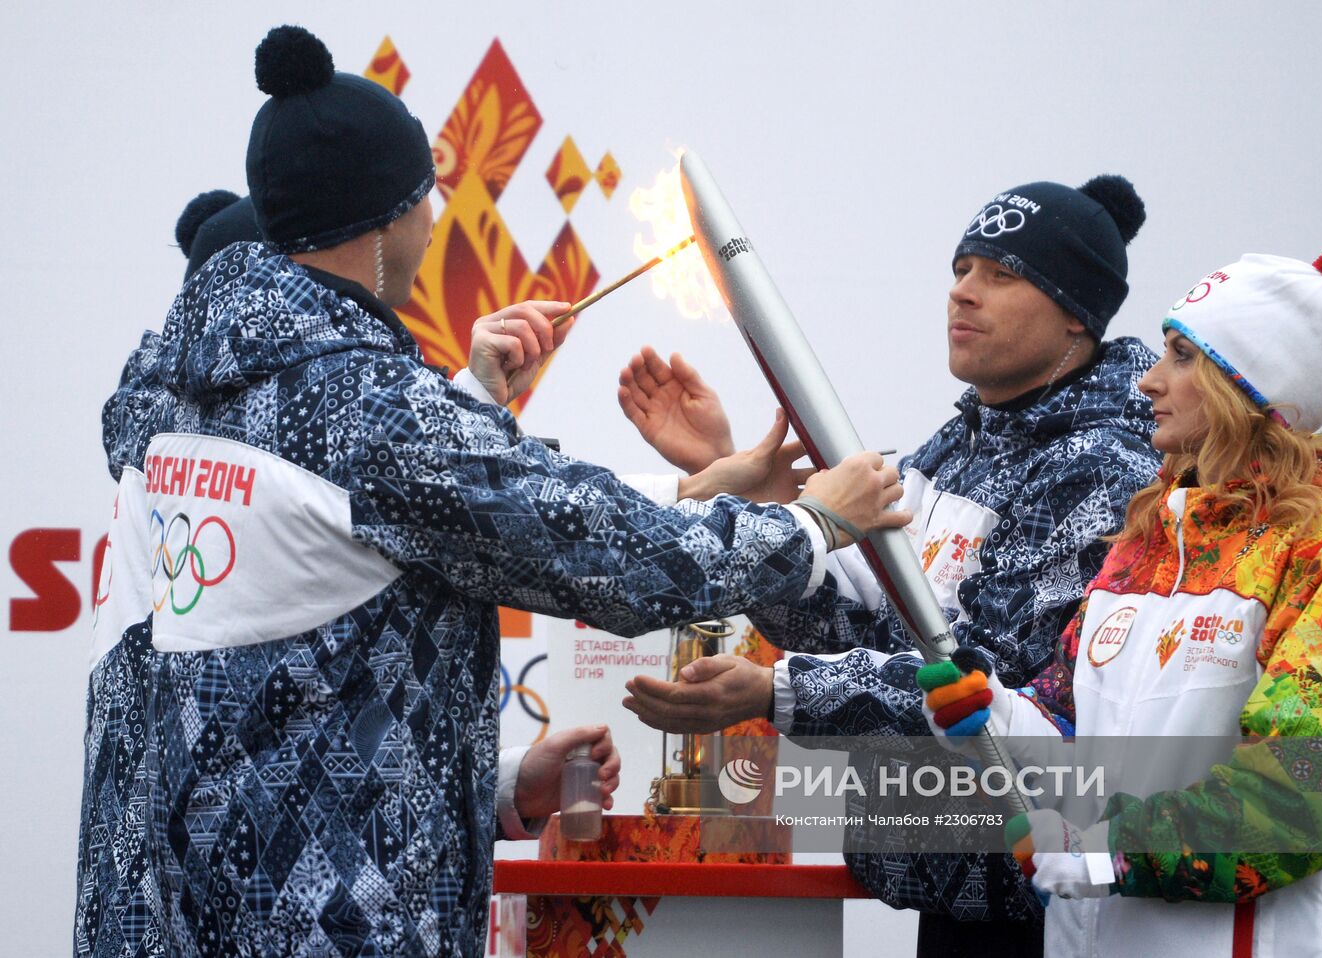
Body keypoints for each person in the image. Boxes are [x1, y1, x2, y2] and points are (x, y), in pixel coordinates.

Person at [88, 25, 907, 958]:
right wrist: (810, 524)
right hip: (326, 922)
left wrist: (471, 402)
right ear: (386, 217)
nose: (436, 218)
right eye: (426, 194)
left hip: (182, 908)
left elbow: (330, 588)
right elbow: (602, 553)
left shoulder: (195, 392)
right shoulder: (367, 413)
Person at [76, 189, 631, 958]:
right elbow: (215, 796)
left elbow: (298, 742)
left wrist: (500, 791)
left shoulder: (186, 460)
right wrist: (794, 529)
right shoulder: (188, 481)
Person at [619, 174, 1162, 953]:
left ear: (1076, 312)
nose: (963, 294)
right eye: (961, 269)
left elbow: (985, 684)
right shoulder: (953, 450)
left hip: (1041, 900)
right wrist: (764, 512)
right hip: (951, 886)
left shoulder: (1101, 467)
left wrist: (777, 693)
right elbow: (858, 629)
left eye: (1003, 277)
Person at [920, 247, 1322, 956]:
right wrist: (998, 714)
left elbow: (1310, 791)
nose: (1148, 379)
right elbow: (1074, 727)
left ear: (1250, 388)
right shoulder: (1150, 538)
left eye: (1181, 357)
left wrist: (1112, 850)